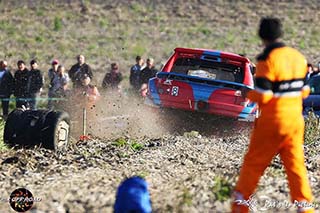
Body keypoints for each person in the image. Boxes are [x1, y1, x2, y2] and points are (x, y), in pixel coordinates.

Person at [231, 18, 314, 213]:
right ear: (280, 34)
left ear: (261, 36)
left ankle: (240, 206)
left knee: (254, 163)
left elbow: (264, 95)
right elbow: (305, 90)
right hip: (295, 121)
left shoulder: (266, 59)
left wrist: (247, 94)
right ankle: (305, 207)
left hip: (272, 122)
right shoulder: (298, 57)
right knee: (295, 165)